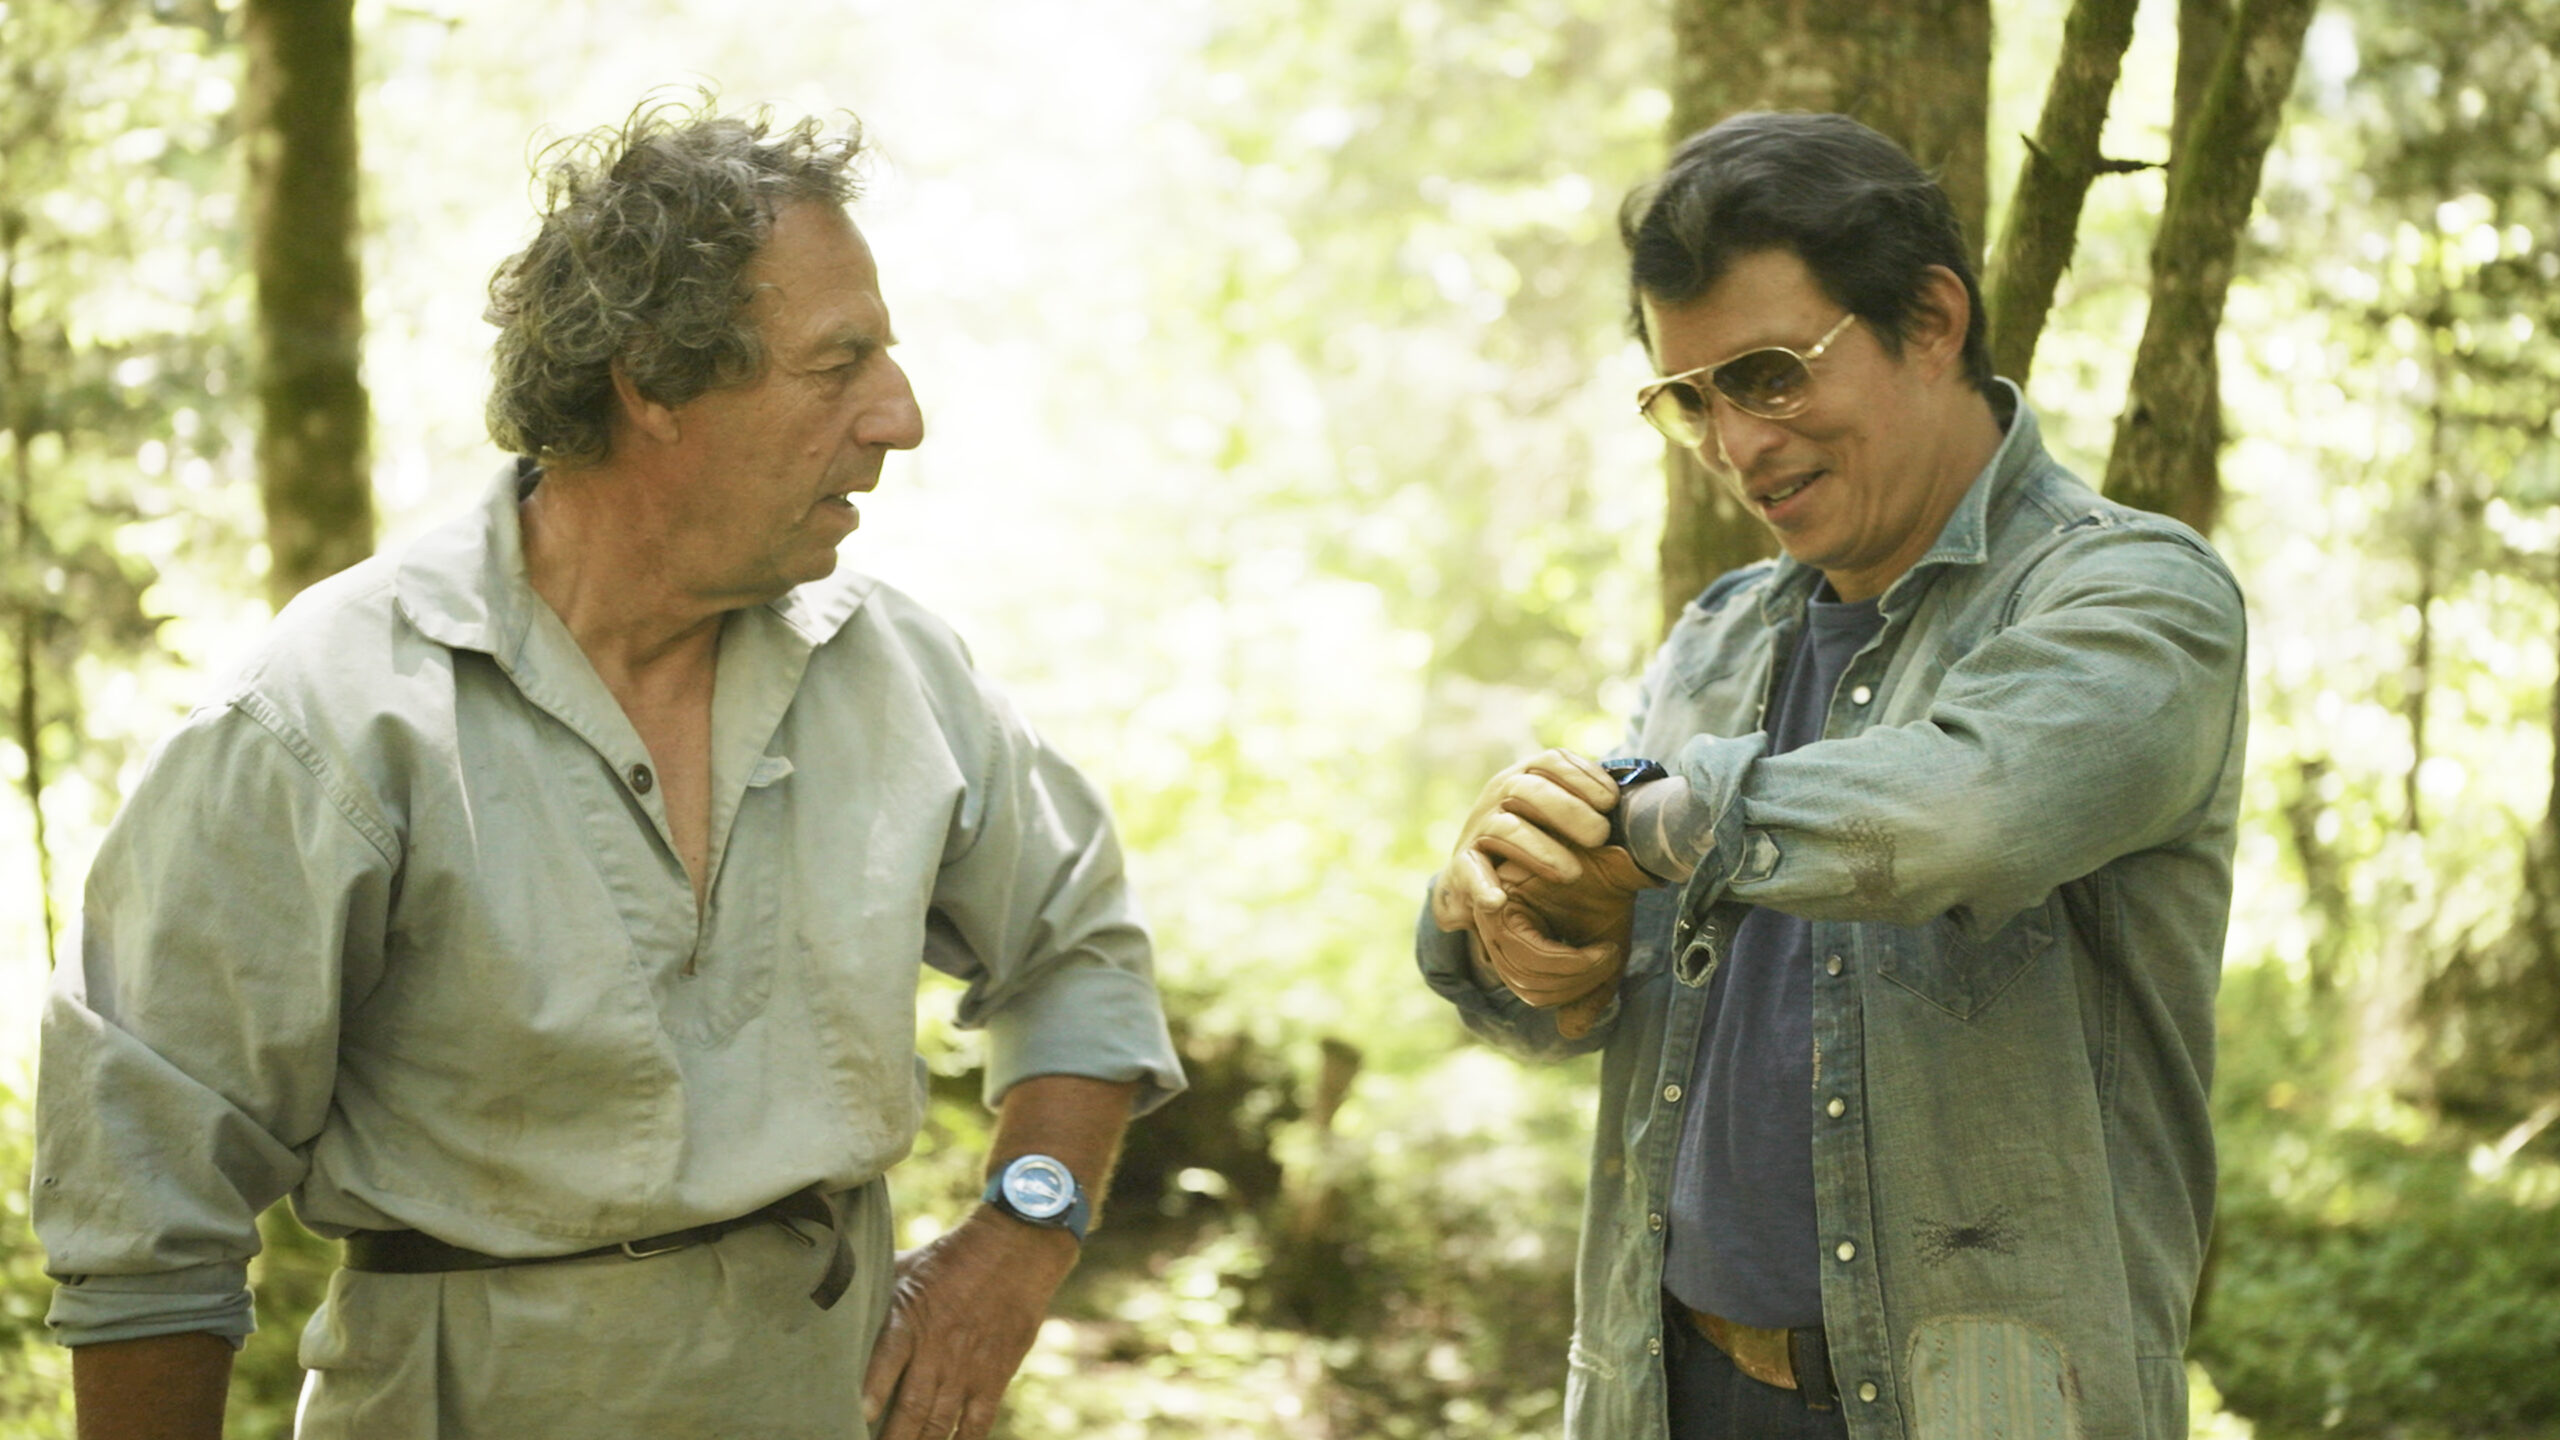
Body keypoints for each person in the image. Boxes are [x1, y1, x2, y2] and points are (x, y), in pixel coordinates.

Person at [35, 98, 1185, 1440]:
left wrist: (1020, 1240)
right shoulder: (330, 713)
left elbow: (1077, 948)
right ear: (653, 384)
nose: (901, 416)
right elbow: (148, 1193)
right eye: (840, 363)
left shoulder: (896, 669)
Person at [1418, 112, 2246, 1440]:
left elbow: (1962, 817)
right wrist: (1534, 918)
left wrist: (1646, 823)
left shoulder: (2135, 595)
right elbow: (1583, 991)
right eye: (1693, 400)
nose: (1737, 446)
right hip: (1664, 1383)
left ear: (1931, 320)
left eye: (1768, 375)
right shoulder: (1716, 636)